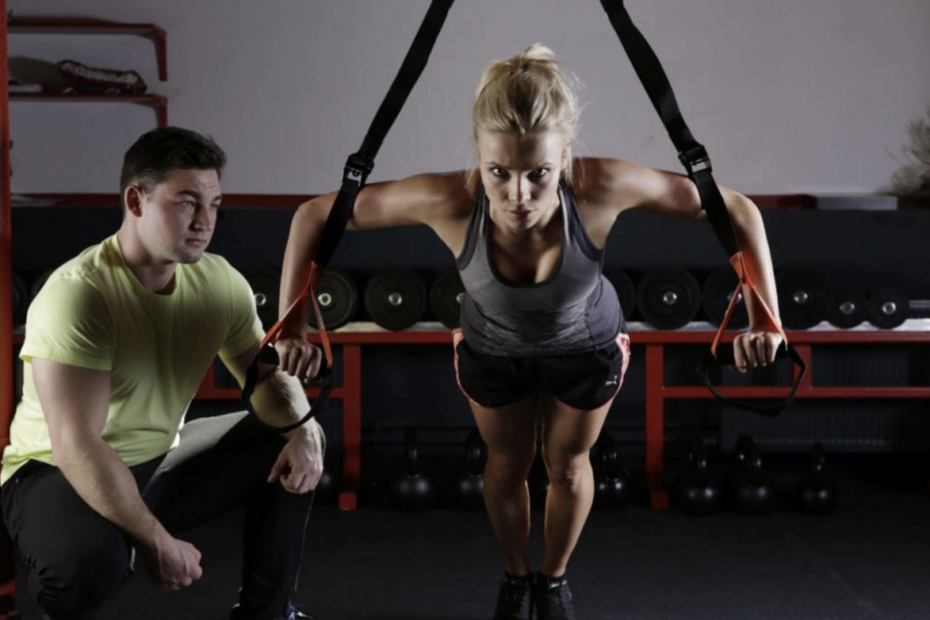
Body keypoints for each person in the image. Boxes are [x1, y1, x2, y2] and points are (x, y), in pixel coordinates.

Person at [275, 45, 782, 620]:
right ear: (480, 157)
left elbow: (736, 209)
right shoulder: (449, 199)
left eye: (539, 173)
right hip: (494, 348)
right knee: (506, 463)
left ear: (564, 157)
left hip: (587, 346)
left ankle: (554, 581)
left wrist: (765, 317)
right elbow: (314, 215)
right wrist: (291, 325)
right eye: (500, 172)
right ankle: (517, 580)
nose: (518, 195)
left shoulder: (600, 186)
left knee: (567, 465)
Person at [0, 127, 326, 620]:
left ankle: (269, 611)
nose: (204, 222)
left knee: (294, 433)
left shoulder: (220, 282)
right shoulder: (80, 294)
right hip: (52, 471)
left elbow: (264, 377)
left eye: (214, 205)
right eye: (187, 203)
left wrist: (302, 430)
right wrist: (157, 541)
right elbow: (76, 445)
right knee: (89, 564)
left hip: (158, 458)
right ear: (136, 200)